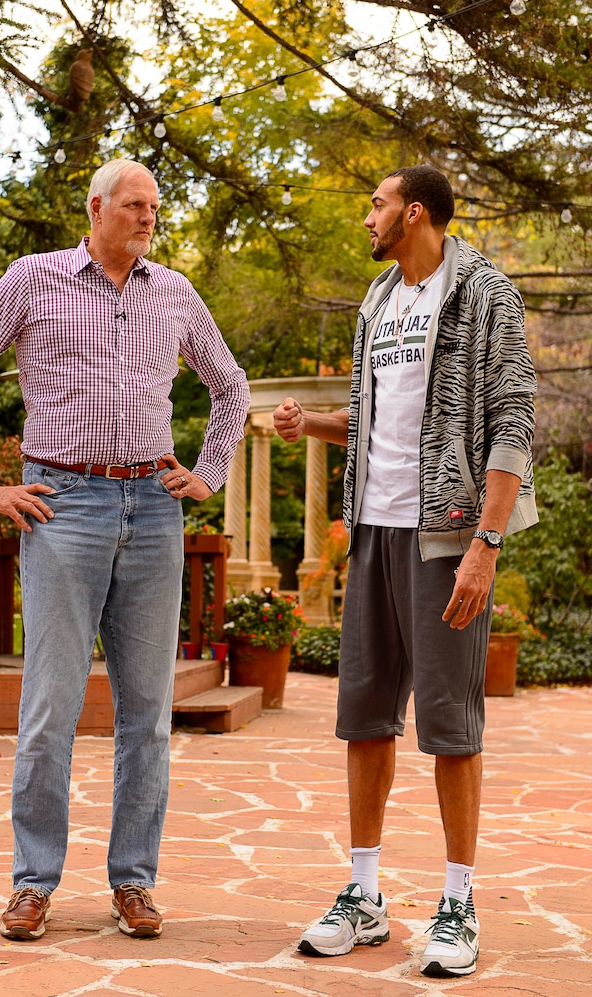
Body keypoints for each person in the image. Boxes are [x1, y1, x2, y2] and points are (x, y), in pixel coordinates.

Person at [0, 158, 250, 942]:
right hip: (63, 506)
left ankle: (134, 881)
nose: (148, 218)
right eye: (134, 205)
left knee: (147, 713)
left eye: (154, 207)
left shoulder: (173, 291)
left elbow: (231, 385)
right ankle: (32, 883)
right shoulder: (33, 279)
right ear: (97, 208)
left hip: (154, 506)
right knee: (51, 707)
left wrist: (208, 471)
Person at [273, 165, 536, 978]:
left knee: (451, 726)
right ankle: (364, 895)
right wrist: (310, 424)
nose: (368, 218)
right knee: (363, 717)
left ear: (413, 212)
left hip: (447, 536)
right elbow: (375, 418)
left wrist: (486, 544)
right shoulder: (379, 301)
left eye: (376, 205)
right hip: (373, 532)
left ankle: (458, 904)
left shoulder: (484, 293)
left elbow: (514, 419)